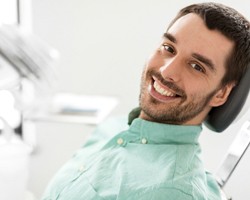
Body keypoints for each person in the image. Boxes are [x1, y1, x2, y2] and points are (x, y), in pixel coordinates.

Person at [42, 2, 250, 200]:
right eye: (169, 48)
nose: (166, 71)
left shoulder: (173, 192)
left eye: (196, 67)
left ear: (221, 94)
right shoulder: (112, 128)